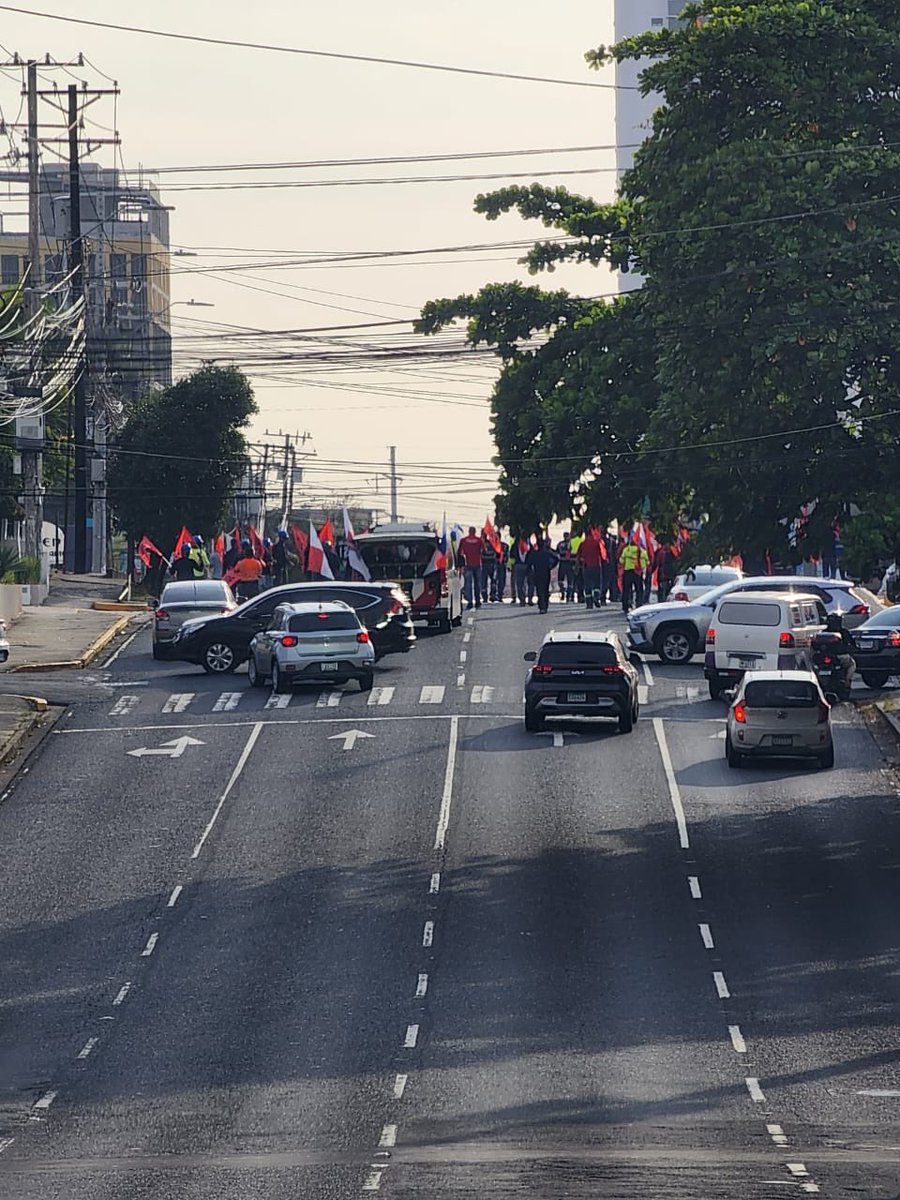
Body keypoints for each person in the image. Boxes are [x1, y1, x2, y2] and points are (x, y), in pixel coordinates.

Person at [526, 539, 559, 614]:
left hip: (537, 572)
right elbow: (556, 558)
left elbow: (529, 563)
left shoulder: (534, 554)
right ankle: (545, 606)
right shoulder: (547, 553)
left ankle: (542, 606)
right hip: (546, 572)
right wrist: (551, 566)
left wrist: (529, 571)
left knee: (539, 590)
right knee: (545, 589)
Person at [577, 529, 605, 609]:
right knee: (597, 584)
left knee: (587, 584)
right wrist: (605, 561)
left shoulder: (583, 543)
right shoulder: (597, 542)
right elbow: (602, 554)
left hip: (586, 566)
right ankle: (596, 598)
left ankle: (589, 603)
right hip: (596, 565)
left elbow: (579, 556)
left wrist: (577, 566)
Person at [620, 538, 650, 613]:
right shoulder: (642, 551)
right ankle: (639, 604)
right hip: (638, 573)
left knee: (626, 590)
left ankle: (625, 606)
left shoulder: (626, 550)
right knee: (639, 590)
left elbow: (621, 561)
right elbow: (647, 562)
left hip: (628, 571)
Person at [458, 526, 484, 610]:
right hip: (477, 564)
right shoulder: (479, 540)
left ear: (469, 532)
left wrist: (460, 566)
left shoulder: (463, 541)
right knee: (477, 584)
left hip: (467, 564)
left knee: (468, 584)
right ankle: (477, 601)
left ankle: (470, 602)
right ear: (475, 532)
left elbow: (460, 553)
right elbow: (484, 550)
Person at [556, 531, 575, 602]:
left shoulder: (572, 544)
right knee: (561, 580)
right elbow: (557, 553)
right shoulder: (561, 544)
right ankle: (563, 592)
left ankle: (568, 595)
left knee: (570, 581)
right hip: (564, 563)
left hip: (568, 563)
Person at [511, 536, 530, 606]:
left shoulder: (515, 546)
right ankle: (525, 597)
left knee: (519, 583)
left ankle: (522, 598)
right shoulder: (528, 545)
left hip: (518, 565)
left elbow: (511, 555)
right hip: (526, 565)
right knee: (525, 583)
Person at [480, 533, 497, 603]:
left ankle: (485, 597)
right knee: (493, 581)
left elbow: (480, 554)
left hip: (485, 565)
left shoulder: (483, 545)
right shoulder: (493, 545)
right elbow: (495, 554)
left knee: (484, 581)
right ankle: (493, 595)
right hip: (492, 564)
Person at [495, 538, 509, 602]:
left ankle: (496, 594)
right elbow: (507, 556)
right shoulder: (505, 545)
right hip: (501, 564)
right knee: (501, 580)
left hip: (496, 565)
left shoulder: (493, 545)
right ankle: (499, 594)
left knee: (496, 580)